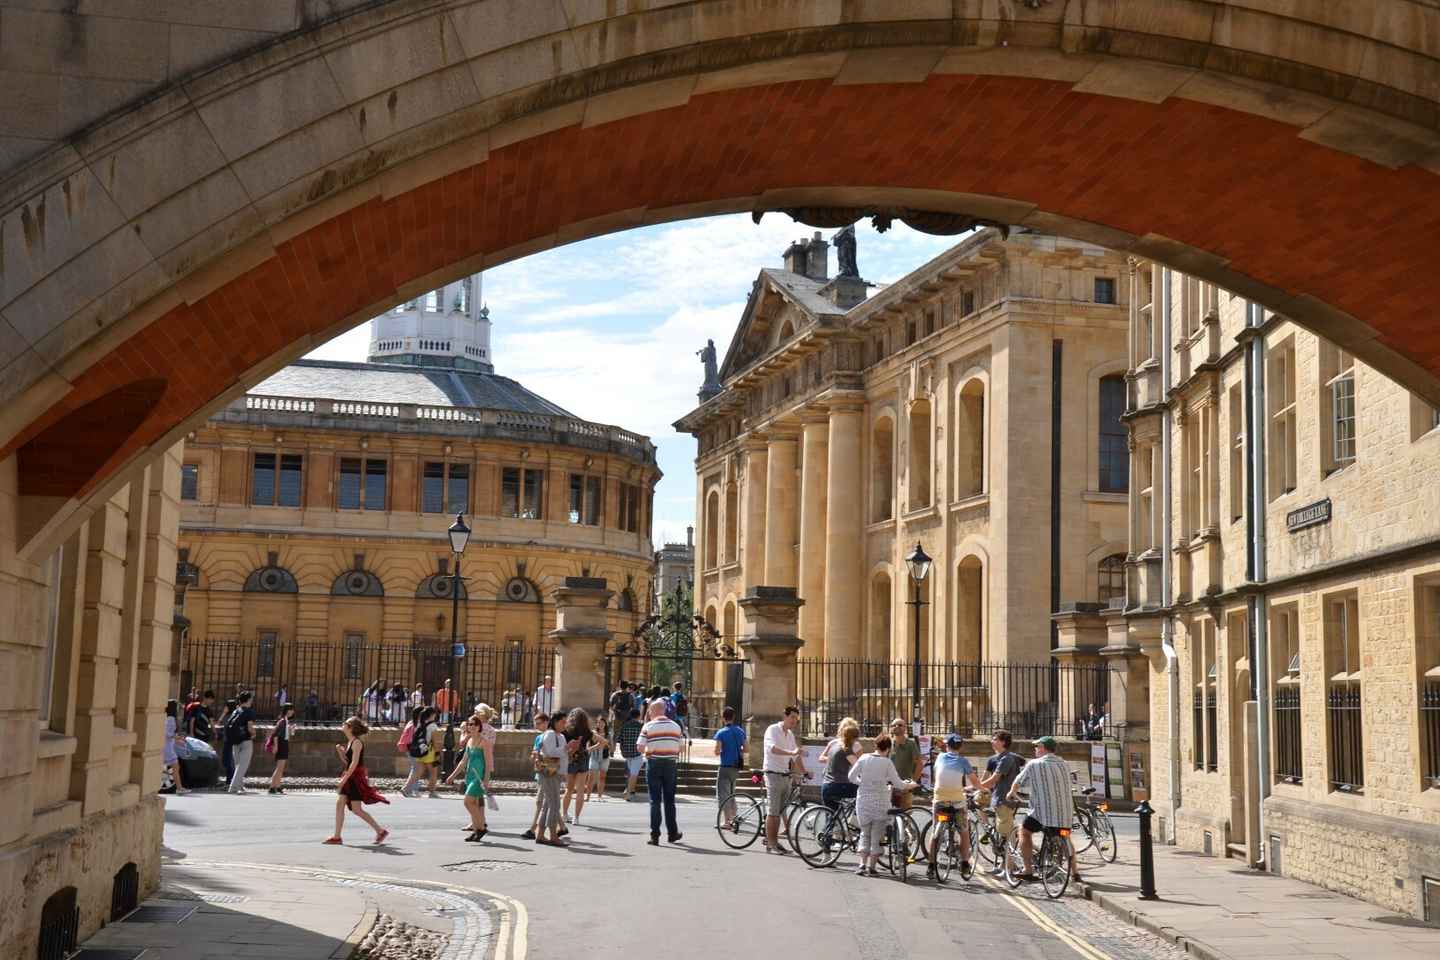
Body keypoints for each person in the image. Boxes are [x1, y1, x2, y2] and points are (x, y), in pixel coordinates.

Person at [1006, 736, 1078, 882]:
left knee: (1024, 832)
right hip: (1065, 814)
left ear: (1043, 748)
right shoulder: (1064, 764)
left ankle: (1027, 869)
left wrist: (1011, 793)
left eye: (1037, 747)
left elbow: (1018, 781)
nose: (1035, 749)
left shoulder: (1034, 764)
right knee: (1065, 836)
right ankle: (1075, 872)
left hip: (1042, 814)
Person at [848, 734, 915, 876]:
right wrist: (909, 785)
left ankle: (861, 865)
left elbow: (851, 777)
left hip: (863, 800)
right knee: (876, 835)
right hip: (881, 801)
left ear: (875, 745)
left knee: (864, 833)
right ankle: (872, 867)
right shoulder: (887, 763)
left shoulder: (864, 758)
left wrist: (863, 783)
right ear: (889, 748)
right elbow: (898, 784)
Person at [324, 716, 390, 845]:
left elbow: (354, 765)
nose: (342, 725)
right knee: (341, 804)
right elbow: (347, 762)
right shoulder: (351, 742)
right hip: (350, 776)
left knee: (356, 809)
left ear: (350, 728)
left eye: (345, 723)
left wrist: (343, 780)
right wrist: (341, 752)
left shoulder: (357, 743)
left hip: (354, 778)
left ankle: (380, 831)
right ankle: (337, 837)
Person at [927, 733, 981, 880]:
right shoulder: (963, 761)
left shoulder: (940, 757)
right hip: (957, 801)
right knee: (964, 831)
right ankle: (964, 863)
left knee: (935, 831)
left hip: (940, 799)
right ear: (961, 746)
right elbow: (975, 783)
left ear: (947, 745)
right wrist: (982, 788)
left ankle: (931, 865)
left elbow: (937, 774)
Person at [636, 699, 684, 845]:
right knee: (670, 800)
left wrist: (649, 751)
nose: (649, 713)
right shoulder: (676, 726)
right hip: (670, 764)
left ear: (655, 711)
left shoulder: (648, 726)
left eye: (650, 710)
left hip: (654, 763)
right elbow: (680, 748)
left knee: (654, 801)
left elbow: (639, 747)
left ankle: (655, 835)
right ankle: (672, 833)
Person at [978, 729, 1025, 875]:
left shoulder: (1006, 759)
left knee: (1006, 836)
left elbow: (993, 780)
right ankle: (1003, 864)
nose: (991, 741)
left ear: (1003, 742)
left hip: (1004, 799)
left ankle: (1009, 867)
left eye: (994, 739)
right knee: (1003, 834)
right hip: (999, 799)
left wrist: (975, 786)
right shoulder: (999, 758)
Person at [761, 705, 804, 853]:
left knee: (779, 812)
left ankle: (773, 841)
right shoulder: (772, 730)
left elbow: (795, 755)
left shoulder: (790, 734)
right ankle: (771, 844)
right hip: (773, 774)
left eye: (796, 719)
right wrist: (791, 752)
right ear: (784, 716)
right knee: (773, 812)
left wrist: (804, 771)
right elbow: (771, 749)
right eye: (792, 717)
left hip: (785, 775)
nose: (794, 721)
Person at [445, 715, 490, 842]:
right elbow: (463, 762)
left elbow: (488, 762)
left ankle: (481, 827)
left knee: (467, 802)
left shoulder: (484, 742)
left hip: (479, 777)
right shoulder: (469, 741)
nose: (472, 727)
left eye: (474, 724)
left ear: (479, 727)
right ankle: (477, 830)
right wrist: (452, 775)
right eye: (470, 724)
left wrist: (486, 780)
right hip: (470, 775)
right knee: (474, 803)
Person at [534, 711, 568, 846]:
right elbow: (550, 752)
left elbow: (561, 754)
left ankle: (541, 834)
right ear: (555, 722)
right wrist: (566, 748)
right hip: (550, 773)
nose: (565, 724)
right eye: (562, 722)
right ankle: (553, 835)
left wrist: (569, 749)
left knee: (548, 804)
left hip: (556, 773)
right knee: (555, 804)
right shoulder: (550, 734)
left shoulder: (560, 736)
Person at [712, 706, 746, 827]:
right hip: (736, 766)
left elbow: (717, 751)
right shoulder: (740, 731)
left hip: (725, 766)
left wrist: (724, 751)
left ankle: (726, 821)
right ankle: (733, 817)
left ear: (723, 718)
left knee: (723, 794)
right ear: (734, 717)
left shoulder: (721, 732)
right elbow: (746, 749)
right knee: (732, 792)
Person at [818, 717, 861, 811]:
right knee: (863, 791)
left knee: (831, 818)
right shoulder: (847, 750)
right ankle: (855, 818)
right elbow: (860, 766)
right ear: (852, 738)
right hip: (839, 785)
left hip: (826, 785)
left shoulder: (835, 746)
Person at [561, 708, 594, 824]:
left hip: (570, 759)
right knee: (580, 790)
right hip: (583, 759)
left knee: (568, 789)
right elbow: (598, 742)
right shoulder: (587, 732)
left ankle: (564, 814)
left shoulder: (566, 731)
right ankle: (576, 818)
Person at [522, 713, 551, 840]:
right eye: (535, 723)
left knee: (541, 801)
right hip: (540, 770)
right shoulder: (538, 737)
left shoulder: (550, 736)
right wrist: (534, 756)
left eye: (538, 723)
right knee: (547, 801)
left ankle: (533, 828)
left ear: (546, 722)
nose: (536, 725)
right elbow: (535, 752)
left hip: (548, 771)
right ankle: (560, 827)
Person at [887, 718, 923, 810]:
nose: (896, 727)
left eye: (900, 725)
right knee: (886, 815)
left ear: (905, 728)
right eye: (894, 725)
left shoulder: (911, 744)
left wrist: (912, 782)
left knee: (905, 814)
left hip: (904, 786)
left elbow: (919, 764)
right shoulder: (887, 743)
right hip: (888, 785)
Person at [226, 692, 257, 794]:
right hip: (246, 741)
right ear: (248, 700)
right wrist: (253, 734)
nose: (252, 700)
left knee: (237, 765)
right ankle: (233, 787)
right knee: (242, 766)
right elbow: (250, 727)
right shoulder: (249, 711)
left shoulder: (236, 710)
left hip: (235, 741)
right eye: (251, 698)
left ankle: (240, 786)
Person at [410, 706, 442, 798]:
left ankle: (406, 788)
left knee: (418, 772)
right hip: (430, 752)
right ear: (433, 714)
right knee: (433, 773)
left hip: (422, 751)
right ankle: (432, 792)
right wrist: (437, 753)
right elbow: (435, 741)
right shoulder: (433, 726)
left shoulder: (420, 724)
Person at [396, 705, 425, 798]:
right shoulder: (419, 724)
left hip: (409, 747)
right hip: (415, 748)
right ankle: (406, 788)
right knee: (416, 768)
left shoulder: (411, 722)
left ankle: (413, 789)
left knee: (416, 768)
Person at [161, 699, 189, 795]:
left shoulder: (168, 718)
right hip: (168, 749)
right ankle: (179, 788)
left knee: (173, 768)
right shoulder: (171, 719)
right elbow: (168, 734)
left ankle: (179, 788)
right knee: (175, 768)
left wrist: (178, 740)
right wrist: (178, 737)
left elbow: (168, 735)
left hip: (167, 746)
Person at [267, 702, 295, 794]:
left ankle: (278, 786)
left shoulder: (286, 721)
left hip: (284, 743)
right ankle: (272, 787)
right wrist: (276, 746)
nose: (292, 711)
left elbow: (287, 735)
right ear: (287, 710)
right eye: (291, 709)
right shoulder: (283, 721)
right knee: (279, 767)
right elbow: (275, 735)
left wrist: (290, 730)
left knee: (281, 767)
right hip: (281, 744)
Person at [617, 708, 644, 801]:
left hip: (627, 753)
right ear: (638, 716)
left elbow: (619, 740)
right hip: (637, 753)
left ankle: (630, 790)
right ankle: (628, 792)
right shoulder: (641, 726)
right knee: (634, 774)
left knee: (631, 773)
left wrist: (622, 750)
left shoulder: (624, 725)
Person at [589, 714, 613, 801]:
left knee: (602, 777)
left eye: (602, 722)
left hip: (605, 757)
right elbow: (590, 745)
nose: (601, 724)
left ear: (605, 724)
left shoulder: (608, 734)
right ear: (597, 724)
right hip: (594, 756)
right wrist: (600, 744)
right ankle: (588, 795)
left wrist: (606, 745)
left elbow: (611, 746)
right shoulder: (593, 733)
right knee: (591, 777)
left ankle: (600, 796)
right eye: (599, 722)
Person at [218, 697, 238, 782]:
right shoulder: (231, 716)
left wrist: (223, 714)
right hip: (228, 741)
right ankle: (229, 780)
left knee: (228, 761)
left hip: (230, 742)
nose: (224, 708)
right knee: (227, 761)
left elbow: (219, 722)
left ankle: (230, 781)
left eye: (226, 706)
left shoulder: (230, 717)